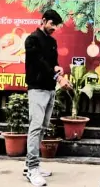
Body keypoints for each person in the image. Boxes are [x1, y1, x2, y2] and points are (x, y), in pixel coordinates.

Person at [24, 10, 71, 186]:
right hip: (37, 89)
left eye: (56, 25)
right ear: (43, 21)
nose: (54, 28)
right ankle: (32, 169)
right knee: (35, 127)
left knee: (42, 127)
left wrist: (58, 68)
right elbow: (40, 63)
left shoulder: (52, 41)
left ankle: (31, 164)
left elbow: (51, 63)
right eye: (52, 24)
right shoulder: (32, 39)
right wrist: (58, 77)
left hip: (50, 89)